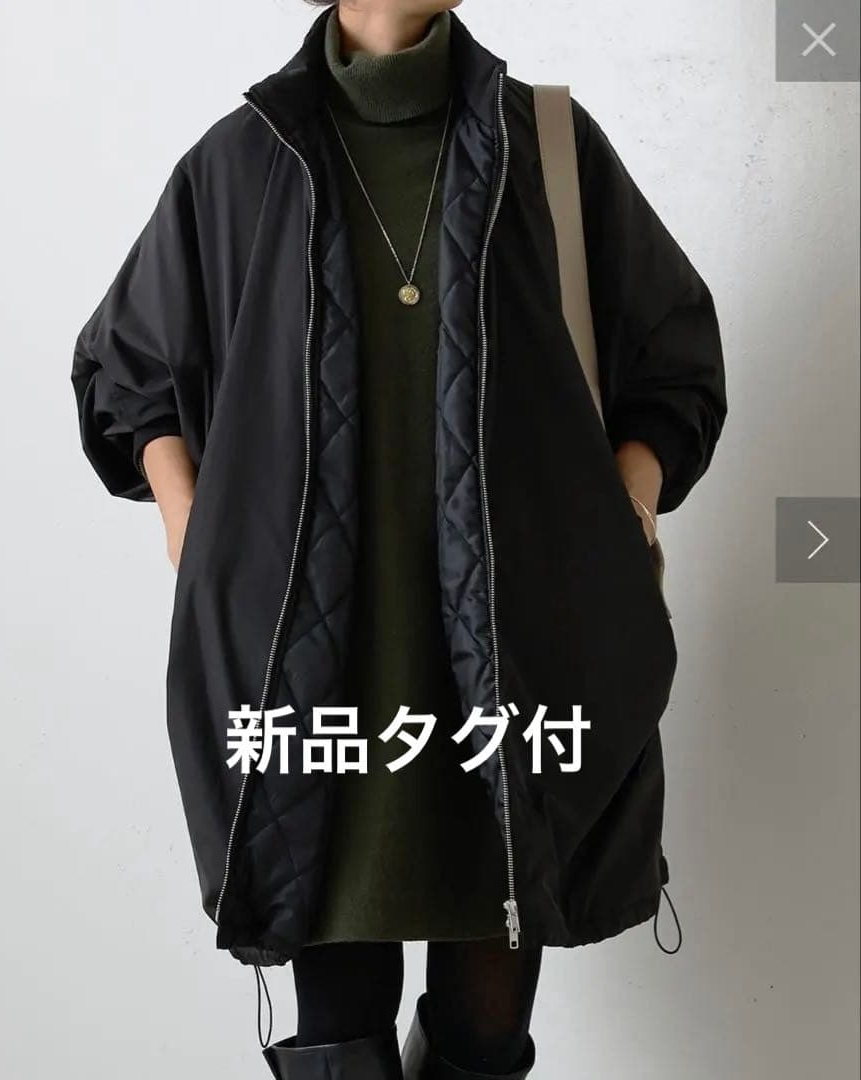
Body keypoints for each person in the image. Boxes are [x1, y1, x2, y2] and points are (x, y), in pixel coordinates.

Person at [70, 1, 727, 1077]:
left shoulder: (544, 141)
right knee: (339, 1035)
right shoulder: (243, 162)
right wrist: (191, 530)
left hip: (515, 676)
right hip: (314, 689)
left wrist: (627, 510)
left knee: (484, 1036)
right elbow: (125, 372)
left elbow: (673, 359)